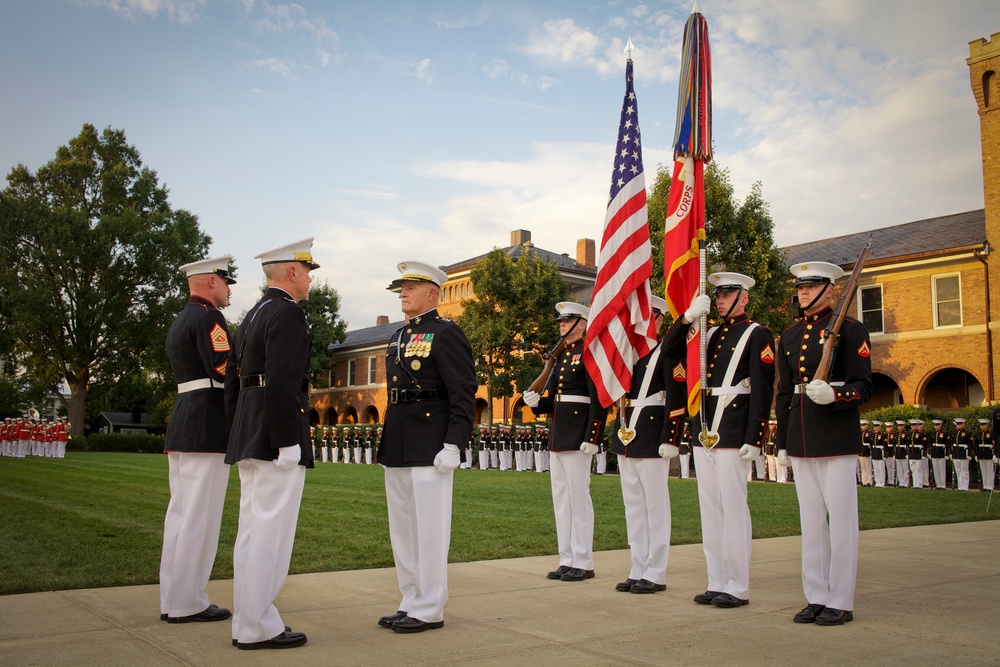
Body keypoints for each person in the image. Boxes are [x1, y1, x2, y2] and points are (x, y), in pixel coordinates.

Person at [224, 238, 318, 650]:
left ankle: (248, 620)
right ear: (292, 272)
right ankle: (258, 624)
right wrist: (286, 441)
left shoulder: (252, 315)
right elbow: (282, 382)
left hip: (250, 428)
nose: (311, 280)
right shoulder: (287, 315)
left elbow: (232, 381)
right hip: (273, 434)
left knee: (250, 532)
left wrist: (239, 426)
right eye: (308, 271)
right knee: (270, 535)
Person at [376, 260, 477, 634]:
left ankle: (431, 605)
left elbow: (463, 391)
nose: (402, 292)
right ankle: (410, 598)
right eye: (401, 287)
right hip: (399, 438)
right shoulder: (398, 335)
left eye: (410, 287)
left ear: (432, 293)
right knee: (402, 528)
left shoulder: (446, 332)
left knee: (430, 528)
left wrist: (454, 442)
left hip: (432, 441)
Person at [665, 273, 774, 610]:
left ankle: (737, 585)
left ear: (744, 297)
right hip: (705, 427)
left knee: (732, 507)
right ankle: (716, 580)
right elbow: (669, 354)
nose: (721, 299)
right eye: (718, 294)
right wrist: (686, 318)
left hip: (733, 427)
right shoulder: (706, 334)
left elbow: (762, 387)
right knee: (710, 509)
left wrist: (755, 437)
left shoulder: (758, 334)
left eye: (728, 293)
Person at [775, 261, 872, 626]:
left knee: (841, 520)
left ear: (831, 290)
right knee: (811, 520)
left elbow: (864, 386)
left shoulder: (850, 330)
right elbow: (784, 393)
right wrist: (782, 441)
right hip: (801, 433)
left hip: (835, 434)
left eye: (811, 286)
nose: (802, 292)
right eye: (799, 287)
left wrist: (835, 394)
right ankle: (816, 595)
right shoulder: (789, 335)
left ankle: (841, 599)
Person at [159, 256, 236, 625]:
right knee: (199, 517)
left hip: (185, 418)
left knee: (180, 514)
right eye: (224, 282)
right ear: (209, 283)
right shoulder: (209, 318)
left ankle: (172, 596)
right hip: (207, 421)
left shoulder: (180, 319)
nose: (227, 289)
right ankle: (189, 601)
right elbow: (223, 367)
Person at [523, 302, 608, 583]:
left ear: (581, 324)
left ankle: (584, 561)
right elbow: (558, 398)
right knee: (561, 498)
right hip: (559, 433)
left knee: (578, 497)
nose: (561, 324)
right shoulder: (560, 356)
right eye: (560, 320)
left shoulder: (588, 352)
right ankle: (567, 557)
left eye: (567, 320)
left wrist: (592, 435)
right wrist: (538, 403)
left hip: (577, 434)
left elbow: (598, 398)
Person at [608, 296, 677, 595]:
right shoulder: (629, 353)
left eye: (650, 318)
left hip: (651, 434)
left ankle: (656, 571)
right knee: (633, 505)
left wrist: (670, 437)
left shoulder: (667, 352)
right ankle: (638, 565)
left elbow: (676, 397)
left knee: (655, 505)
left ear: (660, 320)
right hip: (627, 431)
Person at [973, 418, 995, 492]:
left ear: (987, 425)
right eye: (981, 425)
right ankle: (985, 486)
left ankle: (989, 486)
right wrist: (976, 454)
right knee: (983, 471)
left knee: (989, 471)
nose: (982, 426)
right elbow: (975, 445)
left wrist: (994, 454)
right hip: (981, 454)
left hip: (988, 454)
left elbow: (994, 445)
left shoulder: (991, 434)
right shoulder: (978, 434)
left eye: (983, 425)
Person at [928, 420, 950, 490]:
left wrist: (947, 454)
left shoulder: (945, 433)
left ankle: (942, 485)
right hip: (934, 453)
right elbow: (930, 443)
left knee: (942, 470)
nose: (936, 427)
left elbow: (947, 444)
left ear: (940, 425)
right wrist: (929, 453)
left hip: (941, 453)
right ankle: (938, 484)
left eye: (937, 425)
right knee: (936, 470)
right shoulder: (932, 433)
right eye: (935, 425)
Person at [951, 418, 971, 491]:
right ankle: (960, 486)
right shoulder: (954, 432)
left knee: (964, 470)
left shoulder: (967, 433)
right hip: (955, 452)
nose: (958, 425)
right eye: (957, 424)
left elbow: (970, 444)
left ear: (963, 424)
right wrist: (950, 453)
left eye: (960, 424)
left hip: (963, 452)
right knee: (958, 470)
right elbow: (951, 443)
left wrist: (969, 454)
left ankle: (965, 486)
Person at [907, 419, 928, 489]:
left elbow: (924, 445)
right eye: (912, 425)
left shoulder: (921, 434)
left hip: (918, 453)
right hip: (912, 453)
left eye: (914, 425)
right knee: (913, 469)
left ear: (917, 426)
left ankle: (919, 484)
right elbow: (908, 444)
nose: (913, 427)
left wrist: (924, 454)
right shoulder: (909, 434)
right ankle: (915, 484)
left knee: (919, 469)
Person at [871, 421, 888, 488]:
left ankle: (882, 482)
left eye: (877, 426)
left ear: (880, 427)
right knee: (876, 468)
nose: (876, 428)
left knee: (881, 468)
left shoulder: (883, 435)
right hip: (874, 452)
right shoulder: (872, 435)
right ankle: (877, 481)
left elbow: (885, 445)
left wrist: (885, 454)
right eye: (875, 426)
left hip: (880, 452)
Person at [858, 420, 873, 487]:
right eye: (861, 425)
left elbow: (871, 443)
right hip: (861, 451)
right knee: (863, 467)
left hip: (867, 451)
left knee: (868, 467)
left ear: (867, 425)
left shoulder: (869, 433)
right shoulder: (860, 433)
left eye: (863, 425)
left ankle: (869, 481)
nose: (862, 427)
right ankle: (864, 481)